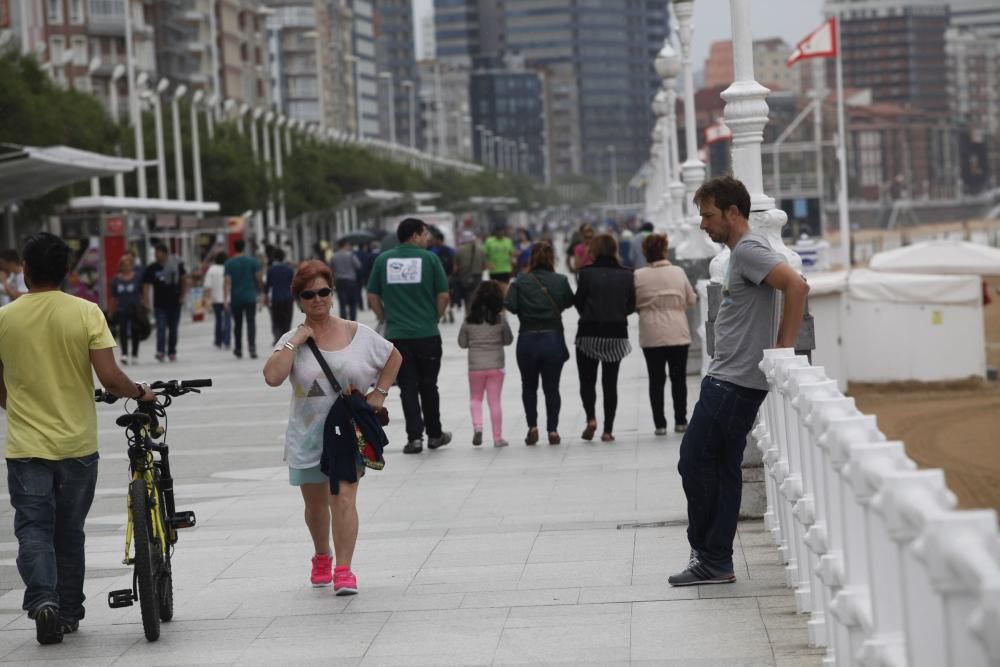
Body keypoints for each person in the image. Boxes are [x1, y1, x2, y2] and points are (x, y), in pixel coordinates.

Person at [0, 233, 156, 645]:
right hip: (77, 446)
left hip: (25, 446)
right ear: (68, 272)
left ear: (26, 271)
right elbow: (110, 378)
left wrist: (14, 404)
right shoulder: (86, 312)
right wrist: (141, 392)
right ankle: (68, 612)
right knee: (69, 531)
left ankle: (43, 603)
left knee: (33, 529)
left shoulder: (5, 318)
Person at [669, 176, 809, 587]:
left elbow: (797, 286)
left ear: (733, 212)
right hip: (733, 379)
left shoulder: (748, 249)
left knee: (694, 462)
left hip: (731, 383)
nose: (702, 225)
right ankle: (716, 560)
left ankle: (710, 556)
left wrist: (782, 350)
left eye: (708, 215)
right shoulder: (743, 252)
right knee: (723, 467)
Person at [263, 260, 402, 595]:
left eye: (324, 292)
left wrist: (379, 393)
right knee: (315, 505)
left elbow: (394, 357)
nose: (318, 300)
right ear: (298, 299)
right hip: (307, 436)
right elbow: (272, 377)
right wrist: (295, 340)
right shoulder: (291, 340)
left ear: (333, 293)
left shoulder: (357, 333)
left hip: (348, 434)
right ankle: (321, 555)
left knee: (343, 498)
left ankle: (344, 569)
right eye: (309, 294)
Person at [367, 218, 452, 454]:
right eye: (425, 234)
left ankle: (414, 438)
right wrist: (434, 317)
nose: (428, 239)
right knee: (429, 386)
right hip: (427, 335)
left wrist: (384, 317)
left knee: (407, 387)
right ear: (414, 235)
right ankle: (435, 434)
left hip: (397, 337)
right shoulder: (430, 259)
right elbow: (444, 295)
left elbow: (372, 296)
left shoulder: (383, 260)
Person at [504, 242, 575, 445]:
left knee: (529, 387)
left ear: (531, 258)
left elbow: (510, 305)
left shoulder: (520, 281)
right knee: (552, 388)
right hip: (552, 338)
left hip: (527, 338)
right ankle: (552, 430)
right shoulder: (560, 280)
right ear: (552, 258)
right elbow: (569, 302)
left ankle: (532, 427)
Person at [574, 233, 635, 443]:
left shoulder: (586, 273)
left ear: (595, 250)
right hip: (616, 333)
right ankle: (608, 430)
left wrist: (590, 314)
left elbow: (578, 301)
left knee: (587, 381)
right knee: (610, 384)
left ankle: (591, 418)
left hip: (589, 332)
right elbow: (631, 305)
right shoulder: (627, 274)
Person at [634, 233, 696, 436]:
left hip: (651, 334)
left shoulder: (638, 276)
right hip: (678, 331)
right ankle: (681, 420)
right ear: (664, 251)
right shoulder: (678, 272)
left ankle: (659, 424)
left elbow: (634, 303)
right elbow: (690, 299)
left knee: (656, 379)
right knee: (679, 378)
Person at [458, 281, 513, 448]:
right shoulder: (500, 319)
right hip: (496, 365)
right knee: (494, 401)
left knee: (475, 399)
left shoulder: (469, 319)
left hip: (475, 366)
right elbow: (508, 340)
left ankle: (478, 426)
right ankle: (498, 438)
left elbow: (462, 342)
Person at [142, 244, 187, 362]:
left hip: (175, 302)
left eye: (159, 253)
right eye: (156, 253)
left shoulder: (176, 265)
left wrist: (183, 295)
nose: (156, 255)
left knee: (173, 329)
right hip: (159, 304)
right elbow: (146, 285)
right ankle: (160, 351)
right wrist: (146, 301)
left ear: (166, 253)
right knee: (161, 327)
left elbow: (184, 279)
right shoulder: (152, 268)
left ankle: (172, 351)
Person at [225, 239, 263, 359]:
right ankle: (252, 348)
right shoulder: (252, 261)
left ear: (234, 247)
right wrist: (261, 291)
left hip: (236, 298)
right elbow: (259, 278)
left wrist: (225, 299)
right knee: (251, 322)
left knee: (237, 324)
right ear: (244, 247)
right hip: (250, 297)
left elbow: (227, 282)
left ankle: (238, 348)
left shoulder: (229, 263)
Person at [109, 254, 144, 364]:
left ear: (132, 266)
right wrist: (111, 310)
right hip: (121, 309)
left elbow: (141, 293)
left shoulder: (137, 277)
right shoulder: (116, 280)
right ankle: (124, 354)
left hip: (134, 308)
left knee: (135, 331)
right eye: (124, 265)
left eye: (128, 265)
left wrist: (143, 306)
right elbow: (113, 297)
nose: (126, 267)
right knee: (122, 331)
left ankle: (134, 354)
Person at [266, 248, 295, 344]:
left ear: (274, 258)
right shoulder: (289, 269)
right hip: (288, 297)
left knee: (276, 319)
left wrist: (265, 296)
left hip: (275, 298)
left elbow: (268, 285)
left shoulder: (271, 270)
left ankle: (277, 338)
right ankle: (286, 337)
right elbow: (294, 284)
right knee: (287, 319)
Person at [429, 228, 457, 323]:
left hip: (442, 276)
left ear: (439, 240)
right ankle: (447, 312)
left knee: (441, 295)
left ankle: (446, 313)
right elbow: (454, 262)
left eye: (435, 239)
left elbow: (454, 262)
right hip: (448, 276)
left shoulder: (433, 251)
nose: (433, 241)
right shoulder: (449, 250)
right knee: (447, 294)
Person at [454, 230, 486, 313]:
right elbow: (484, 266)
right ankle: (474, 313)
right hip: (477, 276)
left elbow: (455, 268)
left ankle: (468, 313)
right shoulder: (480, 250)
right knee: (475, 296)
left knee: (466, 296)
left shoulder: (458, 250)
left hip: (463, 276)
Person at [204, 251, 231, 349]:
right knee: (227, 320)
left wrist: (207, 299)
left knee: (218, 320)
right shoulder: (228, 268)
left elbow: (207, 286)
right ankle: (227, 340)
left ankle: (218, 341)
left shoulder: (212, 269)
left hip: (215, 299)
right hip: (228, 298)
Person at [330, 239, 362, 321]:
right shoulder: (351, 255)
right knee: (353, 303)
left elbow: (331, 269)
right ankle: (352, 321)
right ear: (345, 245)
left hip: (340, 281)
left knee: (342, 303)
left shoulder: (334, 256)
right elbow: (358, 265)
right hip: (351, 281)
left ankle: (343, 322)